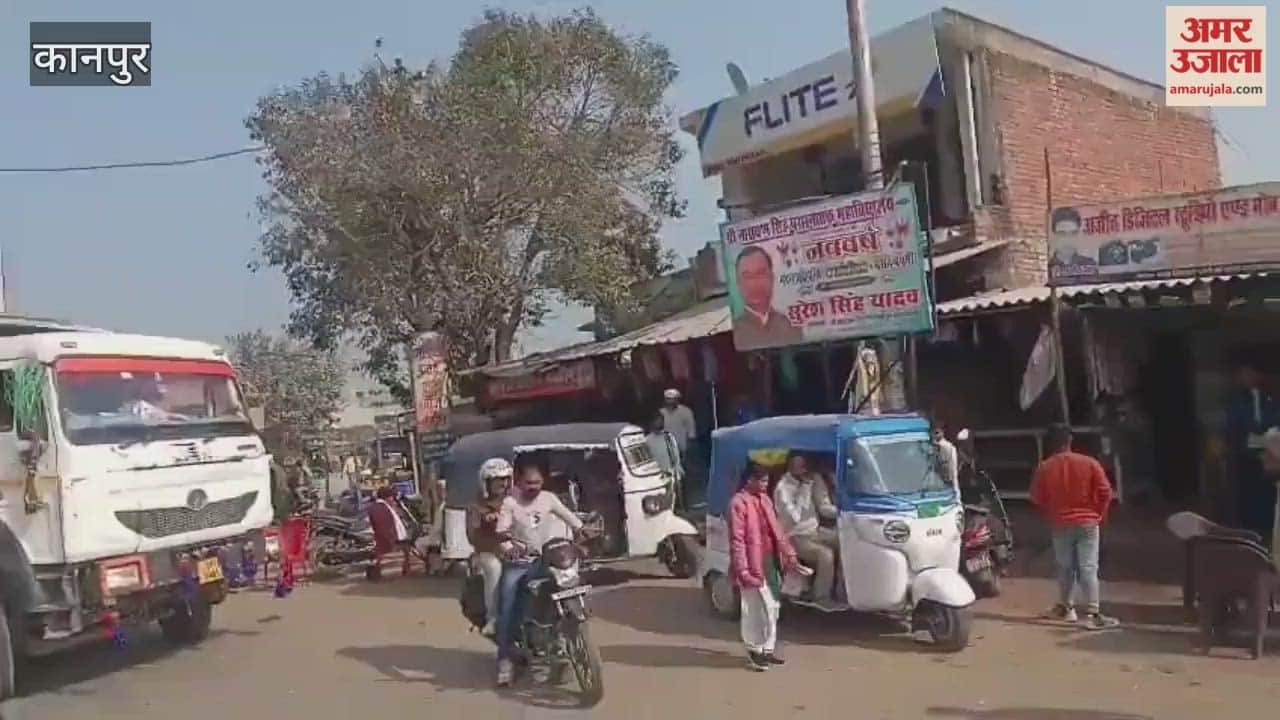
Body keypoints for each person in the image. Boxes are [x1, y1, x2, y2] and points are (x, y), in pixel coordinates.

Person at [493, 459, 584, 686]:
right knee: (507, 608)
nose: (533, 487)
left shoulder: (549, 499)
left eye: (537, 482)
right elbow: (501, 531)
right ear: (519, 481)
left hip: (548, 560)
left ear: (543, 481)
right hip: (520, 563)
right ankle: (505, 661)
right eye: (528, 482)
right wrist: (509, 548)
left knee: (567, 588)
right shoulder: (510, 503)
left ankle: (561, 642)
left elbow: (574, 521)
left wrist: (584, 533)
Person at [1029, 423, 1118, 629]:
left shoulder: (1045, 467)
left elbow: (1036, 498)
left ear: (1051, 444)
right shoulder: (1089, 463)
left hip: (1060, 524)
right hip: (1088, 522)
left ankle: (1067, 610)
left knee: (1065, 567)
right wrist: (1099, 515)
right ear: (1070, 441)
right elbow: (1106, 492)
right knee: (1088, 568)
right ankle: (1093, 614)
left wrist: (1051, 514)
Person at [730, 462, 798, 671]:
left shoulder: (765, 500)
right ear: (749, 479)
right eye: (761, 480)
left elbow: (777, 531)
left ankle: (767, 649)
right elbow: (737, 540)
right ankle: (754, 649)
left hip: (770, 559)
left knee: (773, 607)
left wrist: (789, 554)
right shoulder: (738, 503)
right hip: (751, 562)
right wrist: (742, 570)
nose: (765, 484)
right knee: (753, 608)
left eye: (767, 480)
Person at [773, 452, 840, 610]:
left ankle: (843, 591)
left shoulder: (809, 481)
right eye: (799, 466)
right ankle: (821, 597)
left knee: (845, 542)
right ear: (791, 467)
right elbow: (793, 517)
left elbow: (823, 508)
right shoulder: (783, 488)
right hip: (795, 536)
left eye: (804, 466)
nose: (803, 470)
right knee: (825, 555)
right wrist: (803, 491)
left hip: (815, 531)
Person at [1224, 360, 1279, 541]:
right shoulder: (1235, 401)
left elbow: (1274, 422)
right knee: (1247, 493)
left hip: (1269, 455)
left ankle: (1267, 526)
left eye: (1249, 373)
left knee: (1267, 493)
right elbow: (1232, 428)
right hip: (1245, 456)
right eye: (1242, 374)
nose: (1245, 378)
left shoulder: (1270, 398)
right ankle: (1249, 529)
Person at [467, 458, 512, 635]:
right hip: (489, 552)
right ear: (486, 482)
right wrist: (488, 525)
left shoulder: (517, 501)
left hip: (518, 550)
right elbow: (473, 536)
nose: (503, 483)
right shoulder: (476, 507)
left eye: (505, 478)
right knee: (494, 568)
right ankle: (492, 618)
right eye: (497, 479)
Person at [732, 246, 802, 348]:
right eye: (747, 276)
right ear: (738, 283)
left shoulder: (790, 327)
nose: (754, 283)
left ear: (772, 278)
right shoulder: (736, 332)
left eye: (761, 273)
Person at [646, 412, 683, 504]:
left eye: (660, 421)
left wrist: (677, 471)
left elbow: (675, 455)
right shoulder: (647, 440)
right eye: (656, 421)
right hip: (657, 476)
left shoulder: (668, 437)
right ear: (651, 423)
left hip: (671, 474)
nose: (658, 423)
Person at [932, 421, 960, 496]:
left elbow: (951, 466)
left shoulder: (946, 446)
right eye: (934, 433)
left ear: (942, 432)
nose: (935, 435)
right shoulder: (935, 445)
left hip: (947, 478)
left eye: (937, 433)